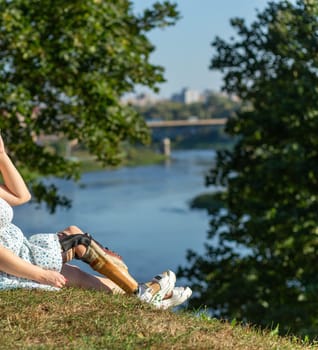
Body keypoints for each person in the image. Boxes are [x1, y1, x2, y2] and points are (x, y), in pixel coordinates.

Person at [0, 133, 192, 309]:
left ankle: (147, 294)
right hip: (9, 265)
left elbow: (21, 196)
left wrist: (2, 155)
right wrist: (40, 275)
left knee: (79, 269)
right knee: (77, 243)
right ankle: (145, 293)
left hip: (20, 251)